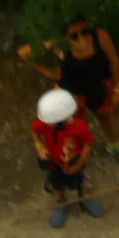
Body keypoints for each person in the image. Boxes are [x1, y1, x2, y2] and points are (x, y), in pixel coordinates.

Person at [18, 16, 119, 167]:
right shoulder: (62, 51)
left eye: (85, 31)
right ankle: (73, 156)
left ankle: (115, 146)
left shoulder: (100, 37)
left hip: (97, 87)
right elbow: (24, 53)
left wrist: (117, 88)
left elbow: (113, 60)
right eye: (74, 35)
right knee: (73, 125)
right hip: (72, 94)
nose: (81, 37)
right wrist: (48, 44)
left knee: (106, 116)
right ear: (67, 38)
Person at [31, 88, 105, 229]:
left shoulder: (79, 127)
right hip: (54, 161)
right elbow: (34, 130)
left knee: (79, 179)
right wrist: (40, 146)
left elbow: (87, 144)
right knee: (57, 182)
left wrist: (79, 163)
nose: (47, 123)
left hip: (74, 160)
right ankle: (61, 202)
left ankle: (84, 198)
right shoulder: (44, 123)